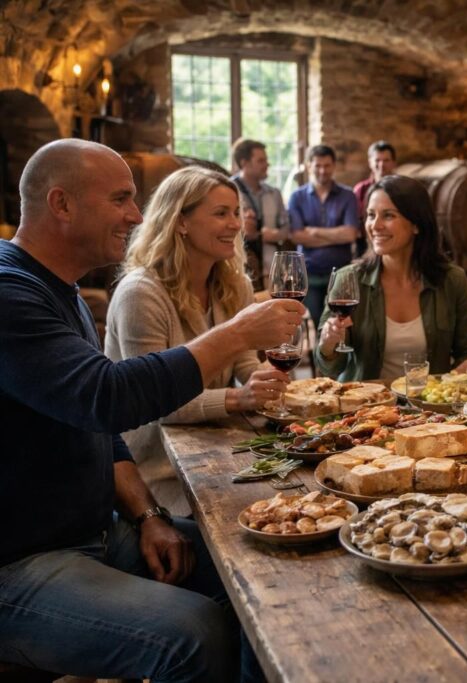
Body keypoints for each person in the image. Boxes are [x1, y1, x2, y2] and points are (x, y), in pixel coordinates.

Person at [0, 139, 304, 681]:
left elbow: (102, 430)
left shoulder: (61, 289)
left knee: (264, 563)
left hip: (98, 529)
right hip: (21, 561)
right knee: (195, 632)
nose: (136, 215)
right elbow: (110, 396)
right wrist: (235, 333)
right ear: (62, 204)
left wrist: (146, 516)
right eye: (120, 199)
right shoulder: (9, 292)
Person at [106, 166, 292, 516]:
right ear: (181, 222)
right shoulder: (141, 293)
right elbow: (156, 402)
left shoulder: (233, 284)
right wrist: (239, 397)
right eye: (221, 213)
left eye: (236, 213)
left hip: (217, 453)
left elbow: (245, 364)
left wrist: (264, 379)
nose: (236, 225)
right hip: (158, 478)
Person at [315, 175, 467, 381]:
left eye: (388, 216)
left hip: (428, 408)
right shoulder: (348, 279)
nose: (375, 225)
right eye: (371, 215)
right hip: (365, 408)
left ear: (416, 224)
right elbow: (329, 367)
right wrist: (328, 344)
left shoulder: (453, 280)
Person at [287, 144, 361, 326]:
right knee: (318, 320)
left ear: (334, 166)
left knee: (338, 322)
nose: (322, 170)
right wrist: (336, 235)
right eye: (318, 165)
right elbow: (296, 236)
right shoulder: (297, 197)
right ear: (309, 165)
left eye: (327, 165)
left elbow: (350, 234)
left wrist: (314, 231)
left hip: (340, 273)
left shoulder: (348, 195)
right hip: (308, 274)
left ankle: (334, 354)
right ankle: (318, 355)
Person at [230, 138, 290, 291]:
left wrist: (270, 235)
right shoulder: (228, 191)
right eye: (261, 160)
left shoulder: (274, 193)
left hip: (271, 270)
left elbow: (287, 229)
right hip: (237, 269)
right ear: (244, 163)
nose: (267, 164)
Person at [352, 140, 398, 217]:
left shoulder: (402, 189)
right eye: (377, 160)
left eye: (386, 160)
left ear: (394, 163)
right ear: (370, 162)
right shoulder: (360, 189)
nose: (381, 165)